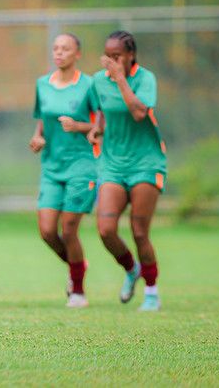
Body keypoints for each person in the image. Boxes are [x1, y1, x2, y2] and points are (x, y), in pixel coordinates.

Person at [89, 30, 167, 312]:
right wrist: (97, 128)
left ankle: (152, 292)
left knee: (139, 232)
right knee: (106, 230)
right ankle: (132, 269)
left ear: (131, 55)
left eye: (117, 56)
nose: (111, 61)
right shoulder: (98, 81)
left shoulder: (145, 79)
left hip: (146, 163)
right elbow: (101, 109)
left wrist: (120, 78)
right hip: (112, 164)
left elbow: (138, 112)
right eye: (107, 56)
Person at [30, 33, 97, 308]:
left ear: (77, 54)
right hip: (52, 167)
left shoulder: (89, 85)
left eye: (65, 48)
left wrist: (79, 126)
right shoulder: (42, 84)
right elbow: (42, 120)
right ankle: (78, 265)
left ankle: (78, 291)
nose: (59, 52)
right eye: (56, 48)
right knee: (47, 231)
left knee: (69, 231)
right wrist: (38, 137)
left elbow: (103, 124)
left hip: (82, 165)